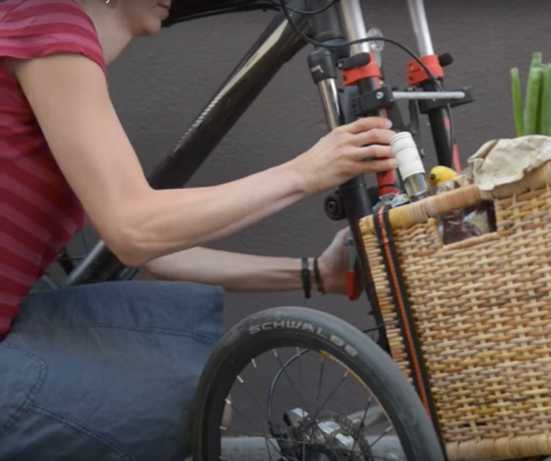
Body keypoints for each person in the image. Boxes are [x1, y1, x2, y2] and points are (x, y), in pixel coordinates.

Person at [0, 0, 397, 459]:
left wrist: (314, 273)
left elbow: (157, 251)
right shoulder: (48, 25)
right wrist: (307, 172)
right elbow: (134, 230)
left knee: (197, 375)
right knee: (189, 401)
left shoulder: (46, 40)